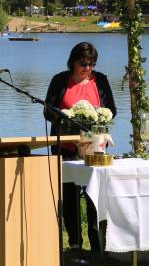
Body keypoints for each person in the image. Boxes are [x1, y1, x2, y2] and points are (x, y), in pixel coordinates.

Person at [44, 41, 116, 252]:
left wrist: (97, 115)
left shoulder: (100, 80)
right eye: (83, 64)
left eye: (91, 64)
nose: (88, 69)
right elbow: (48, 111)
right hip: (65, 147)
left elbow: (112, 109)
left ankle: (98, 245)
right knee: (70, 197)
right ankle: (75, 243)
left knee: (96, 197)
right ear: (73, 62)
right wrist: (67, 116)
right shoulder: (60, 80)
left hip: (95, 146)